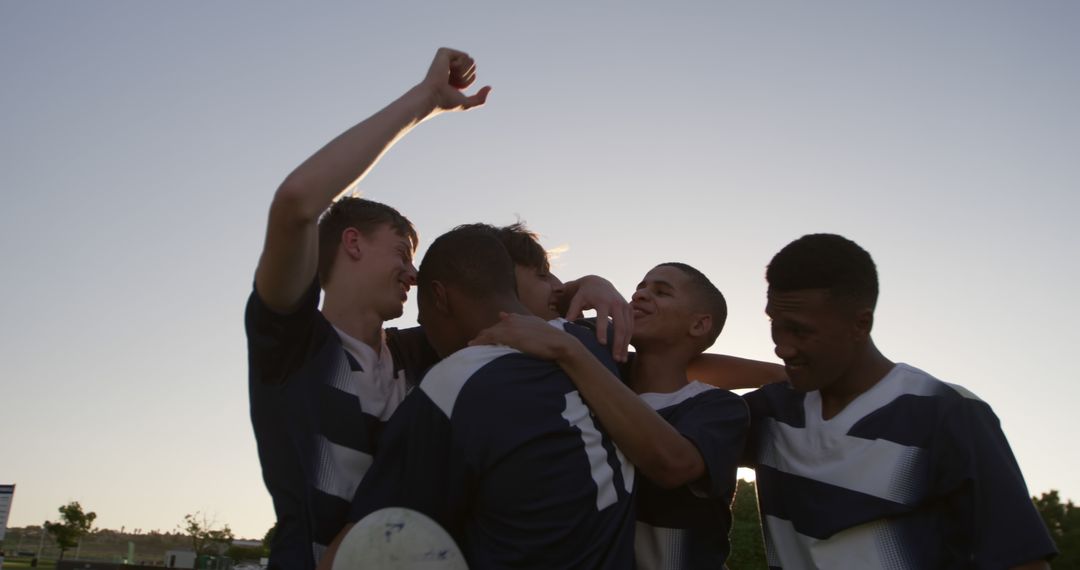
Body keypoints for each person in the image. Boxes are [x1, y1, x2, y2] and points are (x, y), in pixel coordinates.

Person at [245, 48, 488, 569]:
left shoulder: (421, 353)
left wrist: (590, 283)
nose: (413, 272)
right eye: (402, 251)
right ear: (351, 242)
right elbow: (296, 202)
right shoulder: (293, 345)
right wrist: (424, 101)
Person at [321, 225, 637, 569]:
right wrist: (591, 283)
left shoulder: (449, 389)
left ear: (440, 298)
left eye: (425, 320)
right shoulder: (597, 344)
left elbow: (356, 546)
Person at [743, 233, 1057, 568]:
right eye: (775, 325)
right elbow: (682, 383)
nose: (783, 346)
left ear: (860, 324)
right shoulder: (772, 411)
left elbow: (1022, 561)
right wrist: (774, 372)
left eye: (800, 331)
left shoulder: (947, 413)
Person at [474, 262, 752, 568]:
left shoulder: (717, 406)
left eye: (661, 292)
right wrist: (594, 283)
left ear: (699, 325)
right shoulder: (590, 380)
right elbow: (552, 303)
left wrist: (570, 352)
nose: (640, 295)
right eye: (640, 287)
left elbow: (673, 464)